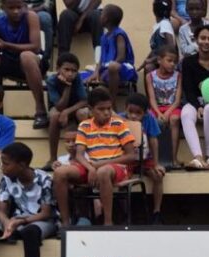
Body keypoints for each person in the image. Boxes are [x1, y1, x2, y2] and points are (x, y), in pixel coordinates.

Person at [52, 87, 137, 226]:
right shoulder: (84, 125)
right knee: (59, 173)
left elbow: (131, 156)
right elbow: (79, 155)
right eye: (101, 109)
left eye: (109, 108)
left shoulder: (119, 124)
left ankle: (108, 223)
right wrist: (91, 168)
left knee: (103, 171)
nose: (107, 112)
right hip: (91, 167)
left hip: (116, 168)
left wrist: (100, 165)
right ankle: (66, 223)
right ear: (91, 110)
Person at [0, 0, 49, 129]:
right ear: (2, 8)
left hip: (31, 63)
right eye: (11, 8)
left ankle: (41, 110)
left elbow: (35, 47)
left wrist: (5, 45)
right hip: (7, 62)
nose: (16, 11)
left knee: (26, 56)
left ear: (24, 6)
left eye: (19, 7)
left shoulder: (31, 17)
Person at [179, 24, 209, 170]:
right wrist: (197, 107)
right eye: (203, 38)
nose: (206, 42)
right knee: (186, 113)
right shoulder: (188, 62)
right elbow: (188, 89)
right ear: (196, 40)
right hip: (195, 101)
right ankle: (198, 157)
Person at [124, 93, 167, 223]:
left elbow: (153, 141)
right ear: (125, 109)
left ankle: (157, 212)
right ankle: (125, 214)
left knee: (158, 176)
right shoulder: (120, 120)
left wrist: (156, 163)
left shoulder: (149, 119)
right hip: (127, 159)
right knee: (122, 179)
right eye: (130, 112)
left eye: (138, 113)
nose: (133, 116)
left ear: (145, 112)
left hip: (145, 158)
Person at [46, 52, 91, 165]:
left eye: (74, 71)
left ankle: (89, 155)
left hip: (75, 109)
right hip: (58, 108)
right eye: (66, 69)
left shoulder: (77, 79)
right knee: (54, 116)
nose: (70, 74)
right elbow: (59, 106)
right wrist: (67, 86)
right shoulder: (51, 80)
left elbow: (84, 100)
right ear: (58, 69)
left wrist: (67, 112)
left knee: (83, 113)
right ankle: (53, 158)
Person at [146, 45, 183, 168]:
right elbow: (151, 99)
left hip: (172, 107)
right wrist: (159, 113)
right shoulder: (150, 76)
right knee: (150, 119)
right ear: (159, 60)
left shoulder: (178, 75)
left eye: (175, 62)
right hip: (156, 107)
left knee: (175, 119)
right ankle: (153, 159)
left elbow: (177, 100)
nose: (172, 64)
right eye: (169, 60)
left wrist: (167, 113)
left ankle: (174, 158)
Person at [96, 4, 136, 101]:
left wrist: (108, 70)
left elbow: (121, 57)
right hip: (108, 68)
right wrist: (96, 72)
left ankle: (112, 101)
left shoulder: (119, 34)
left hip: (123, 68)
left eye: (101, 14)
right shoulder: (104, 37)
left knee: (113, 66)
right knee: (85, 75)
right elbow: (101, 59)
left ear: (106, 19)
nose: (99, 16)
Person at [145, 0, 176, 72]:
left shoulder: (165, 24)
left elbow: (171, 46)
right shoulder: (158, 25)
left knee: (149, 67)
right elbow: (154, 50)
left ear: (154, 10)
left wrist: (152, 59)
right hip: (158, 59)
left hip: (165, 60)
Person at [24, 0, 56, 72]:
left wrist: (31, 11)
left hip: (40, 10)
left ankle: (45, 60)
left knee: (45, 18)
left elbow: (48, 4)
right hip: (18, 8)